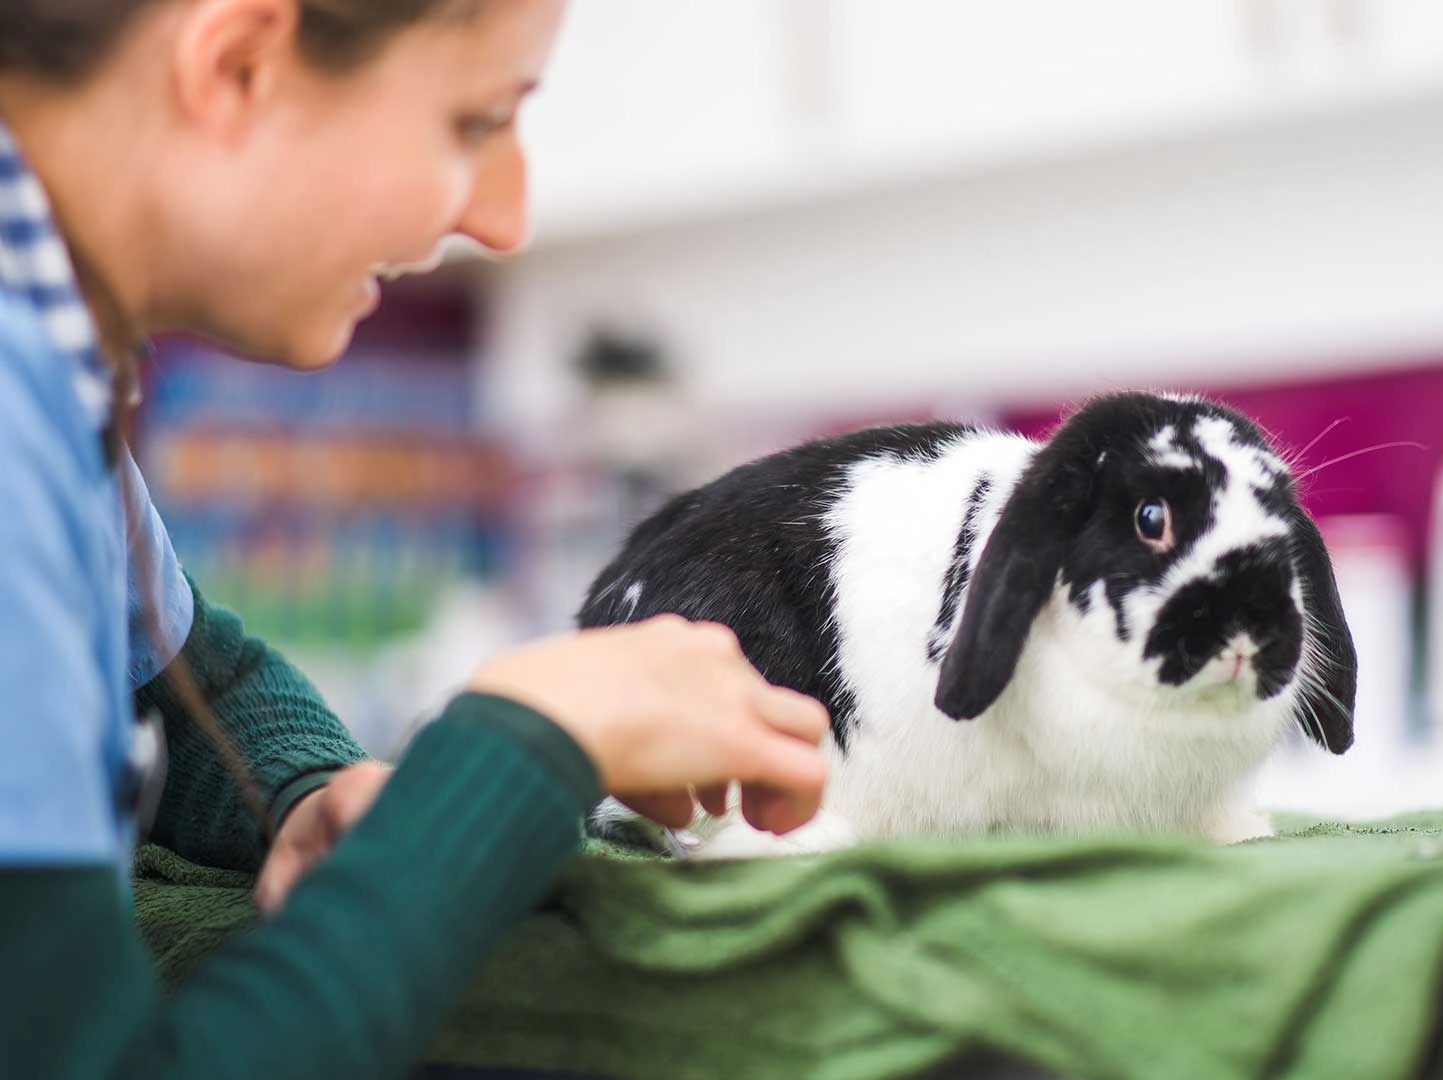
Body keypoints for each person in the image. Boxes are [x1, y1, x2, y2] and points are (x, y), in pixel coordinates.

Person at [0, 1, 832, 1076]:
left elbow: (192, 678)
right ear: (239, 64)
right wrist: (533, 736)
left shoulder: (58, 380)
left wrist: (311, 795)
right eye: (476, 121)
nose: (505, 217)